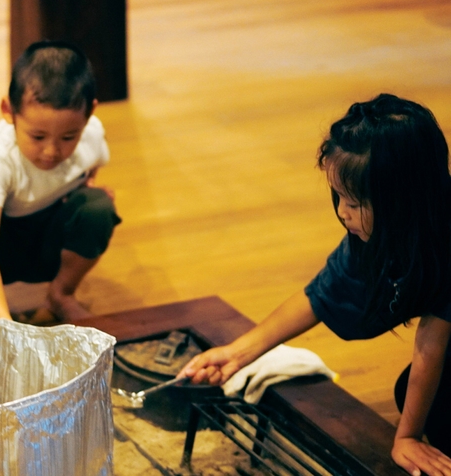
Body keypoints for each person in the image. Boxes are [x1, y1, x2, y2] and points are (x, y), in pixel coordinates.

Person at [179, 94, 451, 475]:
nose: (342, 213)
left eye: (354, 204)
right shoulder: (390, 227)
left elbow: (432, 343)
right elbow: (323, 293)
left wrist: (406, 436)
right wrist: (237, 354)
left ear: (402, 200)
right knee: (411, 393)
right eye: (337, 197)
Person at [0, 41, 121, 344]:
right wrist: (7, 327)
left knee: (98, 206)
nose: (51, 151)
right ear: (9, 111)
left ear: (89, 115)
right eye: (37, 136)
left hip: (48, 240)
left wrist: (86, 190)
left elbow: (92, 166)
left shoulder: (92, 134)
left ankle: (61, 293)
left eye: (68, 137)